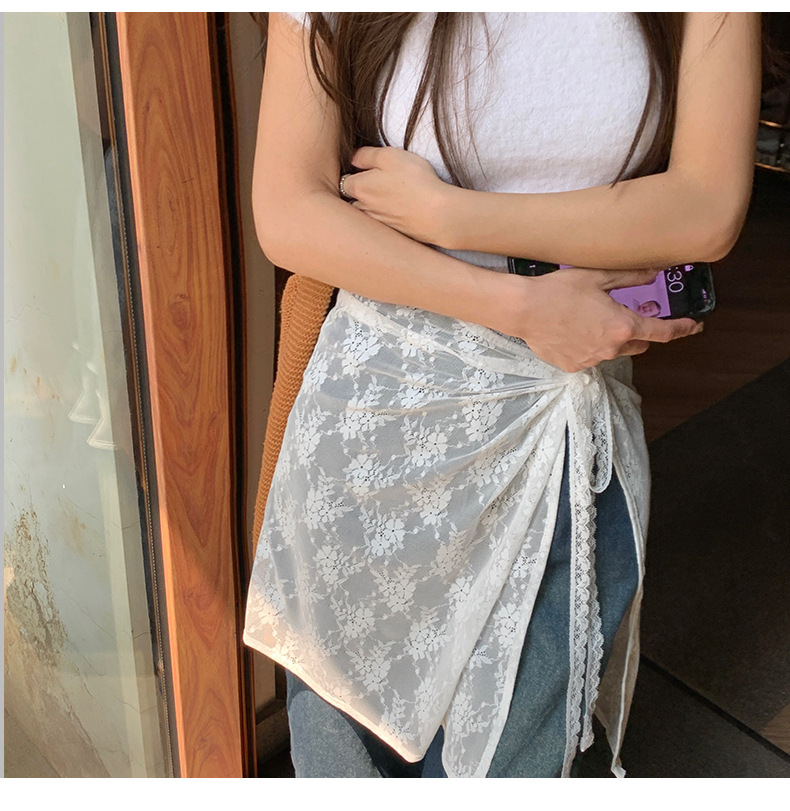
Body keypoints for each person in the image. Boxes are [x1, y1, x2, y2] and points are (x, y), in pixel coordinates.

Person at [243, 12, 761, 778]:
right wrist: (516, 306)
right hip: (377, 433)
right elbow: (290, 209)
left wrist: (455, 215)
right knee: (342, 762)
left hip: (561, 441)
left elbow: (707, 206)